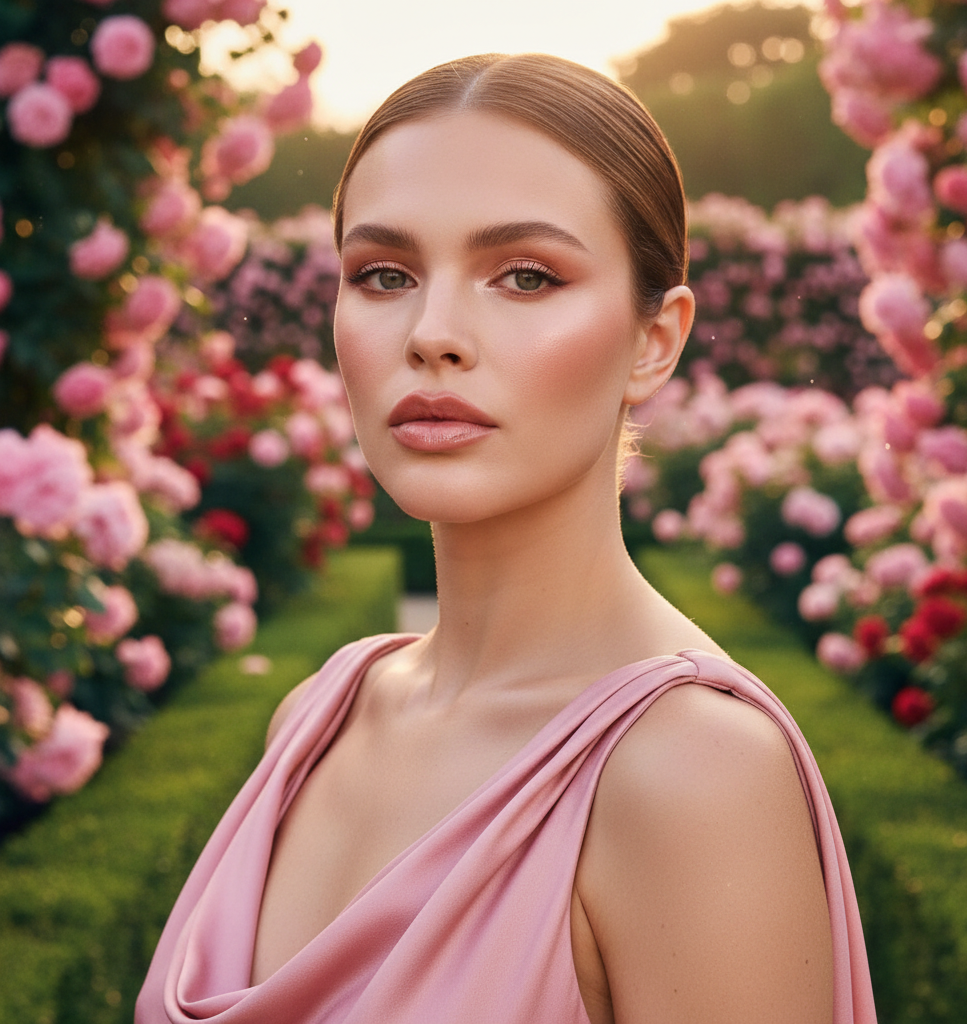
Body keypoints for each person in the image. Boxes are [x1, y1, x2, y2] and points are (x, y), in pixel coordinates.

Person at [137, 53, 876, 1024]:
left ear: (655, 339)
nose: (432, 333)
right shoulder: (315, 718)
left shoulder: (694, 774)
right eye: (384, 274)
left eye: (525, 275)